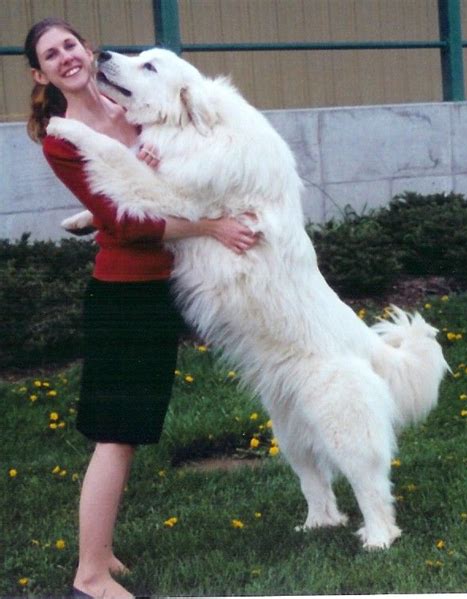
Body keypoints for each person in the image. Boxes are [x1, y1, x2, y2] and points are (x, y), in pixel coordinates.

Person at [25, 17, 258, 599]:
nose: (65, 58)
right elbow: (126, 222)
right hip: (124, 291)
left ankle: (102, 554)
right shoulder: (62, 137)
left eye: (70, 45)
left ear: (87, 49)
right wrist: (212, 226)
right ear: (41, 73)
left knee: (129, 431)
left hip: (159, 285)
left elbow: (166, 168)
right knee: (116, 435)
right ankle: (90, 576)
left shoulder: (125, 101)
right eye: (51, 55)